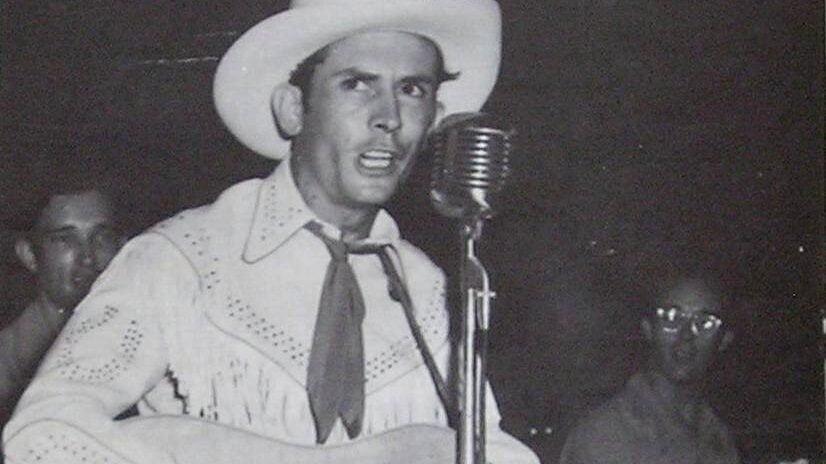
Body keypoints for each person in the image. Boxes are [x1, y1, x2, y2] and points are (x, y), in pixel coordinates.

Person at [3, 1, 538, 463]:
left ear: (436, 117)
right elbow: (41, 437)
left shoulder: (425, 288)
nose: (389, 117)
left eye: (413, 90)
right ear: (292, 108)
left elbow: (486, 447)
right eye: (357, 84)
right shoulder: (182, 259)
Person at [558, 273, 741, 464]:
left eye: (705, 323)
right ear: (648, 329)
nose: (686, 336)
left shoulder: (718, 438)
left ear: (724, 339)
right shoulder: (607, 433)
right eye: (671, 318)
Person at [0, 184, 124, 426]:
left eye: (101, 237)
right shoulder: (10, 363)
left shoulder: (151, 343)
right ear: (30, 255)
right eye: (65, 240)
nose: (87, 257)